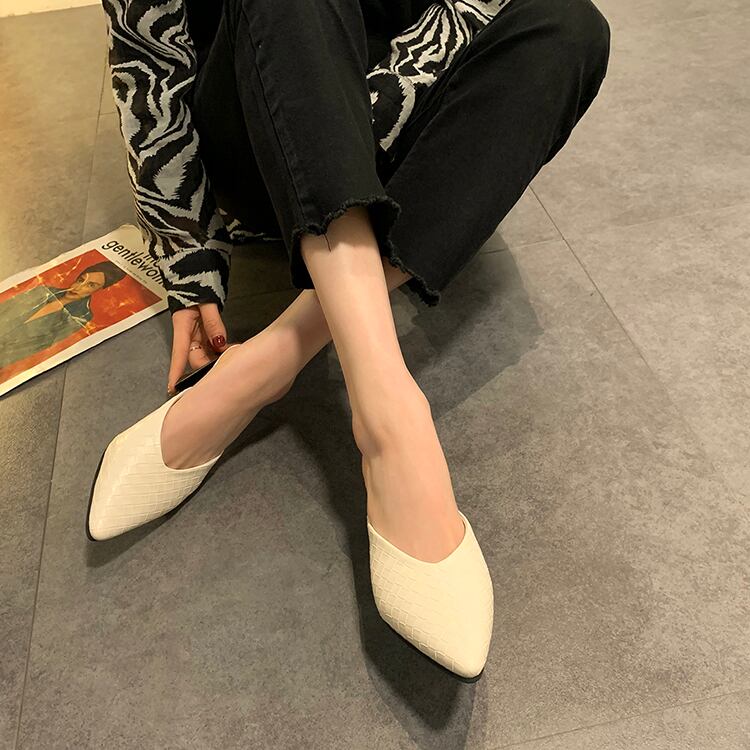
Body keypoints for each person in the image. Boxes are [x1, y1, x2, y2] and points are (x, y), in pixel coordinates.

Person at [89, 0, 611, 678]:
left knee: (571, 28)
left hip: (395, 113)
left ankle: (270, 359)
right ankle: (393, 423)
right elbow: (148, 60)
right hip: (266, 115)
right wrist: (188, 261)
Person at [0, 261, 126, 370]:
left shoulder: (80, 317)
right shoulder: (42, 291)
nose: (79, 287)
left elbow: (39, 345)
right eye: (81, 280)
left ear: (100, 289)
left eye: (91, 285)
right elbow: (5, 307)